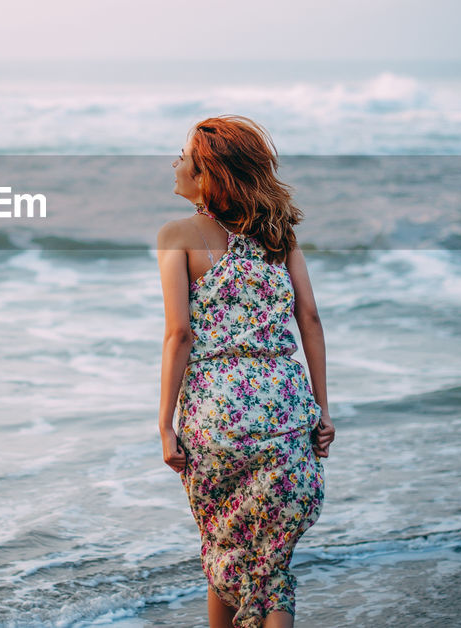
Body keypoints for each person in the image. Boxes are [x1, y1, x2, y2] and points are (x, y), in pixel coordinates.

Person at [156, 115, 334, 628]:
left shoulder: (177, 236)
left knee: (222, 551)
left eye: (184, 158)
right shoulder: (280, 235)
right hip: (284, 410)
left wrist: (164, 423)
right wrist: (322, 411)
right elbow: (310, 320)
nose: (174, 163)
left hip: (217, 419)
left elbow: (179, 336)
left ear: (207, 173)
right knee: (269, 567)